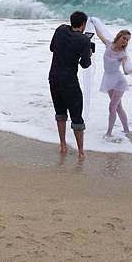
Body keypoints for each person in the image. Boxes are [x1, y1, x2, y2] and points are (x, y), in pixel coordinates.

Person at [48, 10, 93, 159]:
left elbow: (52, 48)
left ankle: (63, 144)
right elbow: (85, 64)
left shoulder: (60, 29)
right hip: (69, 81)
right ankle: (81, 152)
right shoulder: (84, 40)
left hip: (53, 78)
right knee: (76, 115)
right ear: (83, 24)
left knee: (60, 112)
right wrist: (88, 52)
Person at [94, 28, 132, 137]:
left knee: (112, 107)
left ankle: (108, 133)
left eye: (127, 40)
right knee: (118, 107)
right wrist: (93, 22)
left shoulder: (123, 54)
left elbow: (126, 71)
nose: (125, 41)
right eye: (124, 38)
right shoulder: (108, 44)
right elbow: (99, 35)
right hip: (108, 80)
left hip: (119, 82)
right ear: (119, 36)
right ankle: (126, 130)